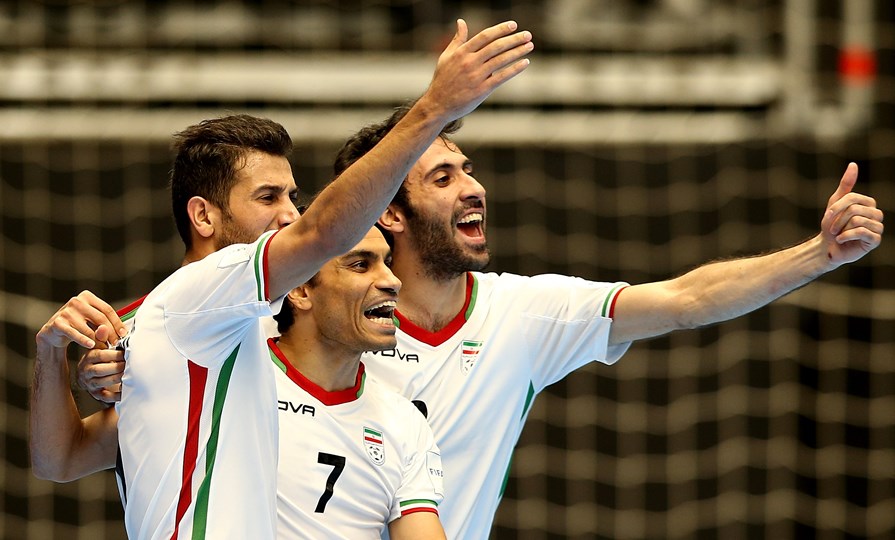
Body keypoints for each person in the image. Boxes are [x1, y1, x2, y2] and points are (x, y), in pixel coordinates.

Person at [77, 104, 884, 540]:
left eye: (469, 169)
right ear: (387, 212)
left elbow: (685, 299)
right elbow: (167, 359)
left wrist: (815, 255)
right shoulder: (294, 317)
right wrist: (103, 359)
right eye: (443, 175)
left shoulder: (521, 315)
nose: (474, 187)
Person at [30, 19, 533, 539]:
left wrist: (56, 355)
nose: (290, 215)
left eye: (293, 197)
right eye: (268, 198)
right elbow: (321, 233)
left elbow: (59, 460)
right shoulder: (200, 295)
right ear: (203, 217)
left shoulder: (233, 330)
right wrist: (433, 110)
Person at [34, 226, 447, 539]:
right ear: (300, 290)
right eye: (361, 264)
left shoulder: (404, 422)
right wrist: (57, 351)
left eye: (387, 262)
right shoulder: (216, 374)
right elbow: (61, 459)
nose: (391, 280)